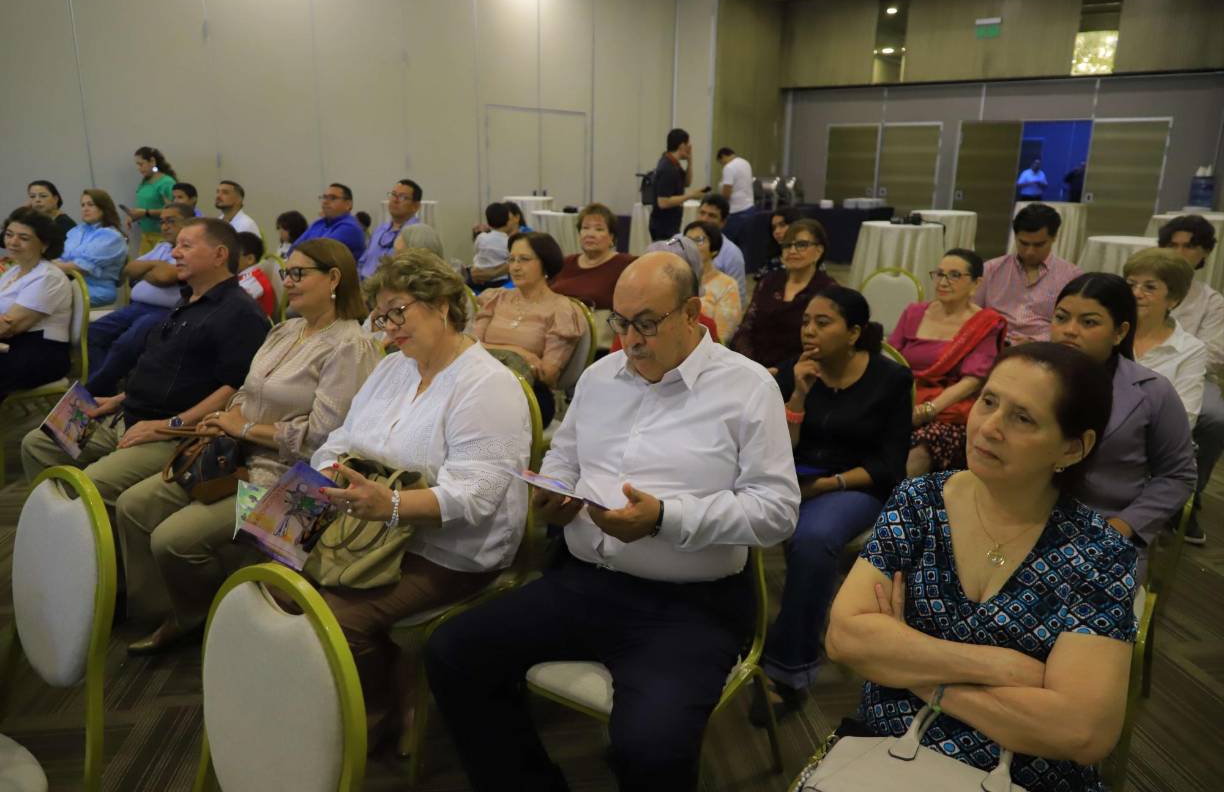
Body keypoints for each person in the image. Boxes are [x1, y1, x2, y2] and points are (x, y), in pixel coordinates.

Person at [425, 251, 800, 792]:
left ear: (691, 312)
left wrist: (665, 519)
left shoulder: (746, 388)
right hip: (585, 583)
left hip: (688, 607)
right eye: (620, 323)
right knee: (452, 652)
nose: (630, 339)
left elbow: (777, 511)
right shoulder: (602, 377)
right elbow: (564, 459)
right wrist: (554, 497)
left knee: (650, 749)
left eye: (646, 323)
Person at [825, 342, 1137, 792]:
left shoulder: (1099, 553)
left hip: (1022, 776)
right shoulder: (919, 502)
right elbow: (845, 638)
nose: (989, 427)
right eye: (989, 401)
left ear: (1072, 448)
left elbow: (1082, 732)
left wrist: (924, 680)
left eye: (1022, 418)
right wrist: (1001, 666)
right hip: (887, 749)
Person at [308, 248, 530, 745]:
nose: (388, 328)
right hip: (366, 527)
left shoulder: (485, 384)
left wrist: (388, 506)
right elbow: (343, 437)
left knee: (339, 618)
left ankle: (379, 707)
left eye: (397, 312)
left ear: (443, 304)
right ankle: (357, 683)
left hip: (452, 549)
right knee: (271, 575)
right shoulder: (395, 368)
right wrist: (328, 473)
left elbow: (474, 498)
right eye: (382, 316)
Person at [119, 238, 379, 652]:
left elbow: (326, 438)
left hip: (293, 477)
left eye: (299, 274)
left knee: (173, 540)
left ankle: (204, 614)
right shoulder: (286, 329)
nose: (288, 282)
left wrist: (244, 429)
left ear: (333, 278)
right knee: (134, 506)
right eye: (287, 273)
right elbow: (247, 390)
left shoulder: (349, 344)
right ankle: (169, 606)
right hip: (231, 456)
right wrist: (226, 417)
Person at [20, 219, 270, 558]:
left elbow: (232, 388)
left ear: (219, 254)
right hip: (129, 412)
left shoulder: (240, 313)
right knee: (39, 443)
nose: (175, 254)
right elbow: (163, 368)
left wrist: (171, 425)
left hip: (176, 433)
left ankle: (98, 570)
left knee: (92, 483)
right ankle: (60, 540)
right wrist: (121, 398)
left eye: (185, 246)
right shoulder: (188, 300)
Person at [757, 286, 911, 724]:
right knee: (734, 512)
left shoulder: (890, 380)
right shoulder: (797, 370)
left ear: (854, 332)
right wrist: (798, 397)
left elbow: (889, 464)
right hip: (797, 473)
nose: (809, 330)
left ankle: (788, 669)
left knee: (813, 538)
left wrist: (826, 485)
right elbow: (779, 450)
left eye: (823, 323)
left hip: (856, 484)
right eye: (806, 321)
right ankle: (726, 640)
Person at [1049, 273, 1196, 577]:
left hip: (1107, 528)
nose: (1069, 331)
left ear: (1119, 333)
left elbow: (1177, 475)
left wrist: (1121, 527)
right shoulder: (1024, 376)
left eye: (1089, 322)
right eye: (1061, 318)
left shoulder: (1153, 391)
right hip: (1023, 518)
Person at [889, 249, 1007, 475]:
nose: (943, 282)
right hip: (904, 397)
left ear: (976, 283)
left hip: (950, 409)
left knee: (923, 445)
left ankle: (900, 506)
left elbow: (972, 381)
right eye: (939, 274)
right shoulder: (914, 312)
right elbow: (891, 359)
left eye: (954, 275)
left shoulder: (984, 323)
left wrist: (928, 410)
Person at [473, 232, 582, 426]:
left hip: (528, 394)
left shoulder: (561, 310)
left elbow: (548, 374)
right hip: (479, 383)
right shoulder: (496, 299)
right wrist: (519, 352)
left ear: (545, 264)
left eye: (524, 259)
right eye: (511, 259)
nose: (515, 267)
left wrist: (498, 353)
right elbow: (469, 347)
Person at [1159, 214, 1223, 544]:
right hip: (1145, 367)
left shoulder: (1211, 301)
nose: (1180, 253)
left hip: (1193, 372)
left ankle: (1191, 496)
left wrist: (1179, 360)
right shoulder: (1147, 289)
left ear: (1204, 253)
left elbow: (1213, 352)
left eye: (1189, 246)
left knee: (1214, 418)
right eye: (1173, 245)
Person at [85, 202, 193, 396]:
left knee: (124, 344)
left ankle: (93, 391)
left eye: (171, 221)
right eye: (162, 222)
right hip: (136, 307)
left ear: (189, 223)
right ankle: (105, 391)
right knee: (93, 332)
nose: (165, 226)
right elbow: (128, 269)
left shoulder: (190, 250)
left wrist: (147, 269)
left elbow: (166, 277)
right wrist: (155, 265)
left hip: (165, 312)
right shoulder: (161, 247)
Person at [732, 218, 835, 369]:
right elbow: (746, 329)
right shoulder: (768, 282)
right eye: (787, 245)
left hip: (799, 371)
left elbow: (824, 345)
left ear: (819, 251)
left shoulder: (828, 290)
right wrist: (751, 366)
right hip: (752, 368)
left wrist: (781, 372)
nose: (792, 251)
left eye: (801, 245)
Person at [975, 203, 1081, 344]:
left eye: (1039, 245)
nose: (1030, 251)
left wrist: (1036, 344)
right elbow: (972, 313)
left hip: (1044, 349)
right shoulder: (991, 269)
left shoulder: (1071, 276)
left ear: (1054, 238)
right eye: (1023, 243)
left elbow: (1072, 327)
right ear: (1016, 236)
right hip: (994, 343)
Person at [1124, 248, 1206, 424]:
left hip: (1156, 443)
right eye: (1130, 284)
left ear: (1173, 299)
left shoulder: (1189, 349)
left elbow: (1185, 417)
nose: (1136, 293)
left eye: (1149, 287)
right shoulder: (1109, 333)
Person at [0, 207, 72, 400]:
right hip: (12, 345)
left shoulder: (47, 276)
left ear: (44, 244)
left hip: (42, 354)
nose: (13, 242)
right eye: (9, 235)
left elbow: (9, 327)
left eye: (24, 238)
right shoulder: (13, 272)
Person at [550, 202, 635, 311]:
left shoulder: (625, 264)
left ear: (611, 237)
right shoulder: (566, 262)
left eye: (599, 229)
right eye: (585, 228)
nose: (590, 234)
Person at [56, 189, 128, 307]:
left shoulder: (111, 236)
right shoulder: (78, 230)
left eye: (90, 204)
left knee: (47, 297)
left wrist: (45, 265)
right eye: (83, 205)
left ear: (103, 208)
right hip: (74, 284)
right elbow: (62, 257)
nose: (85, 208)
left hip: (97, 290)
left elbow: (80, 267)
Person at [682, 220, 741, 340]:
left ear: (714, 248)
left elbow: (722, 335)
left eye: (698, 240)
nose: (691, 246)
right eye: (687, 241)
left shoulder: (727, 285)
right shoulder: (677, 279)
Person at [648, 128, 707, 241]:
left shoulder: (674, 164)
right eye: (688, 144)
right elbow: (663, 202)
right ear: (682, 146)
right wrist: (691, 196)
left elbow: (687, 182)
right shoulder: (668, 168)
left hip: (670, 224)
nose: (690, 148)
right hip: (663, 226)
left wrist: (690, 161)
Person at [359, 179, 423, 279]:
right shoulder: (380, 229)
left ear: (416, 206)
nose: (395, 200)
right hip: (363, 287)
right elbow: (362, 262)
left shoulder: (417, 235)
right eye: (393, 195)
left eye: (402, 197)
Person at [292, 183, 366, 262]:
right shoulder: (318, 224)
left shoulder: (350, 227)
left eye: (332, 198)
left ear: (348, 204)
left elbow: (319, 254)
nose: (325, 202)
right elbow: (293, 249)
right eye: (324, 197)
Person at [696, 193, 747, 302]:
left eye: (712, 215)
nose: (704, 219)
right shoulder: (680, 241)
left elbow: (738, 299)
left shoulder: (732, 254)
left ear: (723, 222)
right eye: (702, 213)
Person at [129, 146, 178, 254]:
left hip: (162, 236)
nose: (139, 168)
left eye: (141, 164)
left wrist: (145, 213)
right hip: (146, 235)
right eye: (137, 165)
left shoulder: (166, 182)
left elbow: (173, 211)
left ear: (152, 161)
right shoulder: (145, 182)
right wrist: (133, 215)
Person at [469, 202, 516, 290]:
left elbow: (476, 251)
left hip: (478, 280)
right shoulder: (508, 241)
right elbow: (510, 259)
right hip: (500, 282)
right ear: (507, 221)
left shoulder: (481, 237)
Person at [717, 146, 756, 243]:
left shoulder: (729, 167)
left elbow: (726, 194)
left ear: (723, 157)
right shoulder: (745, 163)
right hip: (749, 208)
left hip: (735, 212)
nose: (722, 165)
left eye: (721, 162)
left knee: (728, 243)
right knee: (744, 243)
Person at [235, 231, 277, 318]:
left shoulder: (254, 282)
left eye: (234, 255)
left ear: (250, 259)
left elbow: (232, 306)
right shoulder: (246, 275)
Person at [755, 206, 799, 281]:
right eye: (774, 228)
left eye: (782, 225)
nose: (777, 232)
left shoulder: (812, 257)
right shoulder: (771, 261)